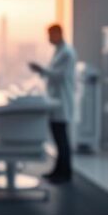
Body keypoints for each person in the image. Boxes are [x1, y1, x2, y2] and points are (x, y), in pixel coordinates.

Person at [28, 24, 77, 183]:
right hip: (55, 101)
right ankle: (58, 170)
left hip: (61, 102)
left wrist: (41, 70)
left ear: (58, 33)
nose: (48, 38)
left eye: (50, 35)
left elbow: (58, 75)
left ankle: (65, 172)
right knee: (58, 138)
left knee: (61, 138)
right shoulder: (59, 51)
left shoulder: (67, 53)